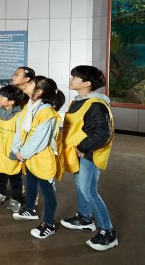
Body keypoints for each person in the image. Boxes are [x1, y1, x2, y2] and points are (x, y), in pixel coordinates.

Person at [59, 65, 118, 251]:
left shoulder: (96, 104)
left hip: (90, 154)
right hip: (78, 152)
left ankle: (108, 233)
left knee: (89, 190)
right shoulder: (79, 100)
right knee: (80, 187)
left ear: (87, 83)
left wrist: (82, 148)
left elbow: (103, 133)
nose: (71, 79)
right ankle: (85, 218)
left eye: (75, 77)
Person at [10, 76, 65, 239]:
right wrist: (16, 148)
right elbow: (20, 130)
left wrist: (22, 153)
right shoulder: (29, 106)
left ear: (39, 92)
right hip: (29, 157)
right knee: (31, 182)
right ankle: (30, 209)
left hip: (41, 158)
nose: (26, 85)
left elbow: (39, 140)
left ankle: (49, 224)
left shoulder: (47, 112)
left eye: (31, 83)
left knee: (47, 192)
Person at [0, 85, 24, 213]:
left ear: (11, 101)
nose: (0, 98)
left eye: (3, 96)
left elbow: (20, 135)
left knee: (15, 179)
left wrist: (16, 152)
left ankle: (16, 199)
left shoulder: (19, 115)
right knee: (0, 176)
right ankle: (0, 194)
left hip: (11, 153)